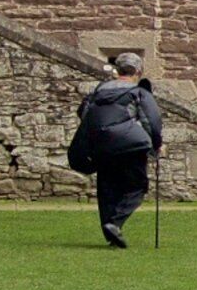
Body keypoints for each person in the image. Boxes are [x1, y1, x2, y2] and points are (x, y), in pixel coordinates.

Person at [70, 50, 164, 248]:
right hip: (131, 145)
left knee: (107, 188)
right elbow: (152, 121)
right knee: (137, 186)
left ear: (117, 70)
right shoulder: (138, 92)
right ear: (138, 71)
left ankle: (110, 228)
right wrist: (155, 145)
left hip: (101, 145)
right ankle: (115, 223)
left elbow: (84, 115)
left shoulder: (98, 91)